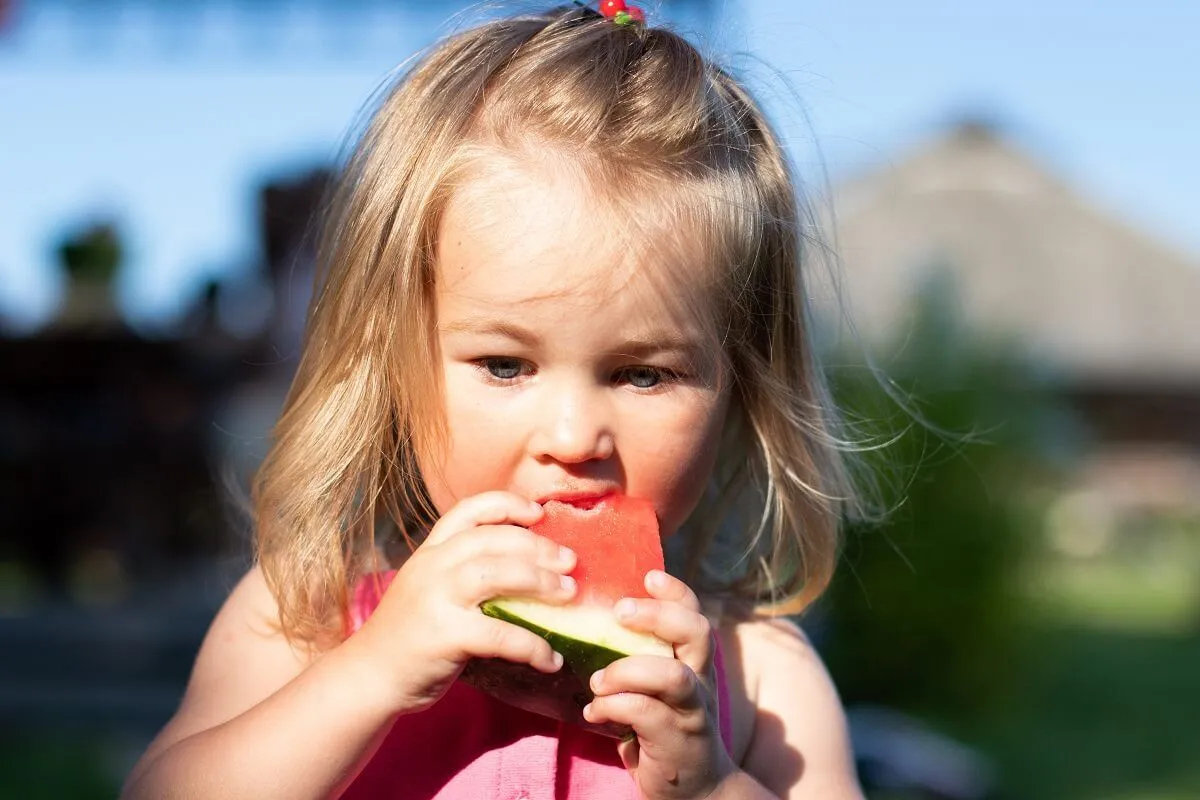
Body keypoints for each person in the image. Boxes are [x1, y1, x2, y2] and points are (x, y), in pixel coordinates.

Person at [123, 3, 867, 798]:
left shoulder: (762, 679)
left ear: (739, 387)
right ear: (392, 366)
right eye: (507, 365)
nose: (575, 437)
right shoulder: (304, 619)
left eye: (642, 375)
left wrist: (712, 782)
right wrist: (371, 672)